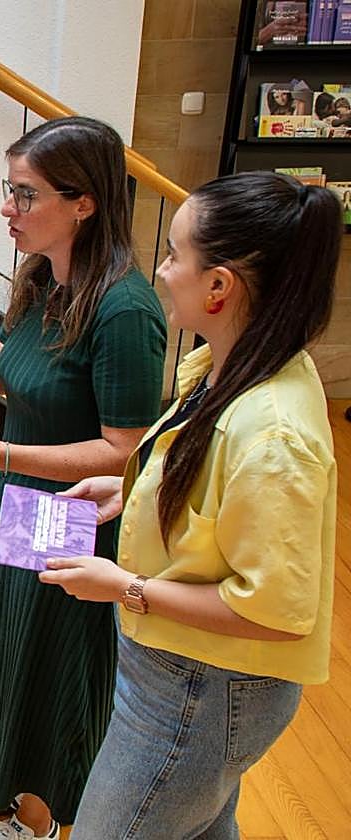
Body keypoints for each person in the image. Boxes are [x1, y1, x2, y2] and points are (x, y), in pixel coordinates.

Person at [42, 170, 339, 839]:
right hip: (182, 678)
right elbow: (215, 490)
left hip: (204, 690)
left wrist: (128, 587)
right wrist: (132, 490)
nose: (161, 268)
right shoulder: (230, 364)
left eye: (175, 254)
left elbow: (274, 613)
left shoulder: (273, 432)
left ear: (219, 286)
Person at [0, 116, 167, 840]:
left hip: (77, 509)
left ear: (84, 203)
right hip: (19, 495)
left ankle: (42, 817)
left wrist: (0, 457)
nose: (7, 209)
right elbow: (20, 386)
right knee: (9, 640)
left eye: (25, 194)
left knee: (52, 660)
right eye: (8, 191)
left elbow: (121, 451)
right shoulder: (46, 278)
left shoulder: (125, 310)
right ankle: (14, 776)